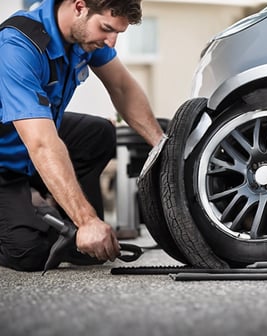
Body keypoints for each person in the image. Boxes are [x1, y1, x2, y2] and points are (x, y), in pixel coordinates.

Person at [0, 0, 164, 272]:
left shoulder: (83, 37)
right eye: (107, 29)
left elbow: (123, 88)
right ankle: (49, 216)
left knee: (99, 134)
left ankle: (62, 216)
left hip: (28, 147)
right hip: (6, 161)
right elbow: (41, 144)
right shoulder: (17, 46)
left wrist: (161, 148)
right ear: (79, 7)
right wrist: (86, 221)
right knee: (30, 253)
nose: (111, 42)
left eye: (118, 34)